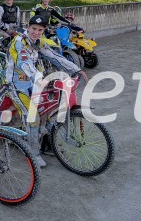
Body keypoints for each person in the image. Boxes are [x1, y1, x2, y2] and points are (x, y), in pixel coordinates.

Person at [6, 14, 87, 167]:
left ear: (43, 31)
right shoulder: (19, 42)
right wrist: (39, 78)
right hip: (17, 84)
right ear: (28, 27)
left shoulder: (40, 41)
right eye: (34, 28)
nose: (36, 32)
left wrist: (75, 69)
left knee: (47, 112)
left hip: (36, 83)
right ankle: (33, 153)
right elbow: (24, 64)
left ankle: (46, 143)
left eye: (40, 30)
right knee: (33, 117)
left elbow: (54, 56)